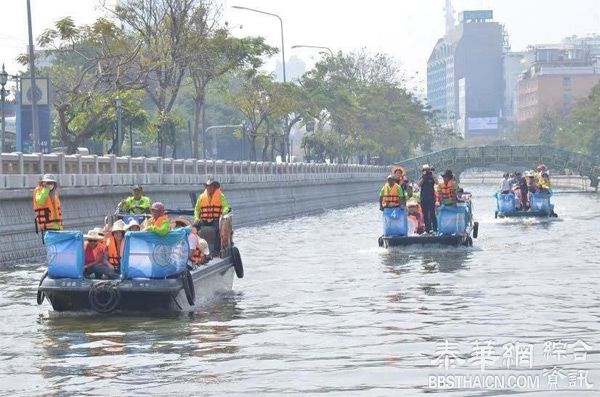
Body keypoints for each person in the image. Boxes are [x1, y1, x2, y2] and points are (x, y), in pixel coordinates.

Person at [417, 164, 438, 233]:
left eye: (428, 170)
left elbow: (437, 182)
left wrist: (431, 175)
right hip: (423, 198)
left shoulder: (432, 176)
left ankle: (435, 229)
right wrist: (424, 177)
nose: (426, 171)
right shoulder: (422, 177)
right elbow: (419, 184)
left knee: (432, 213)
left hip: (431, 198)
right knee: (425, 214)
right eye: (425, 170)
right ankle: (427, 229)